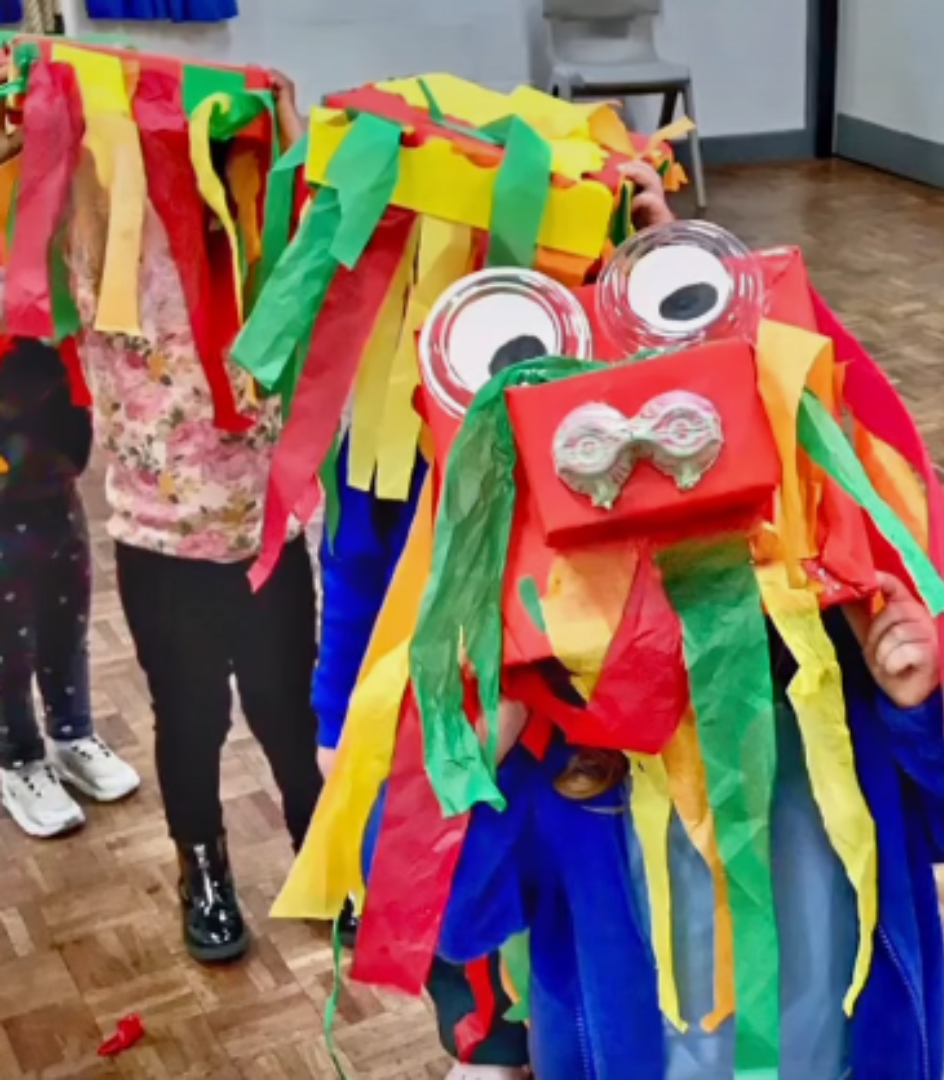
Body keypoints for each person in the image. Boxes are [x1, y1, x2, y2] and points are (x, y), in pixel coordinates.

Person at [313, 158, 674, 1080]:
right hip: (450, 716)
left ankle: (522, 1032)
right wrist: (333, 720)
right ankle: (484, 1039)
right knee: (469, 934)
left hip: (568, 726)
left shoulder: (598, 403)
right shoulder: (395, 427)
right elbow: (358, 563)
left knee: (548, 896)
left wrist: (651, 247)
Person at [432, 576, 944, 1079]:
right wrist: (480, 762)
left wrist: (926, 704)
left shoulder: (849, 678)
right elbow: (447, 922)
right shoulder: (562, 741)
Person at [0, 65, 349, 961]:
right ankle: (205, 870)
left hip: (265, 535)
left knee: (284, 707)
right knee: (188, 718)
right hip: (157, 541)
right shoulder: (94, 237)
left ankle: (322, 856)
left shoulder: (272, 241)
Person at [0, 333, 140, 838]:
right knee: (7, 640)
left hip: (54, 464)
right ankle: (17, 758)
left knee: (66, 613)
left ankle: (72, 731)